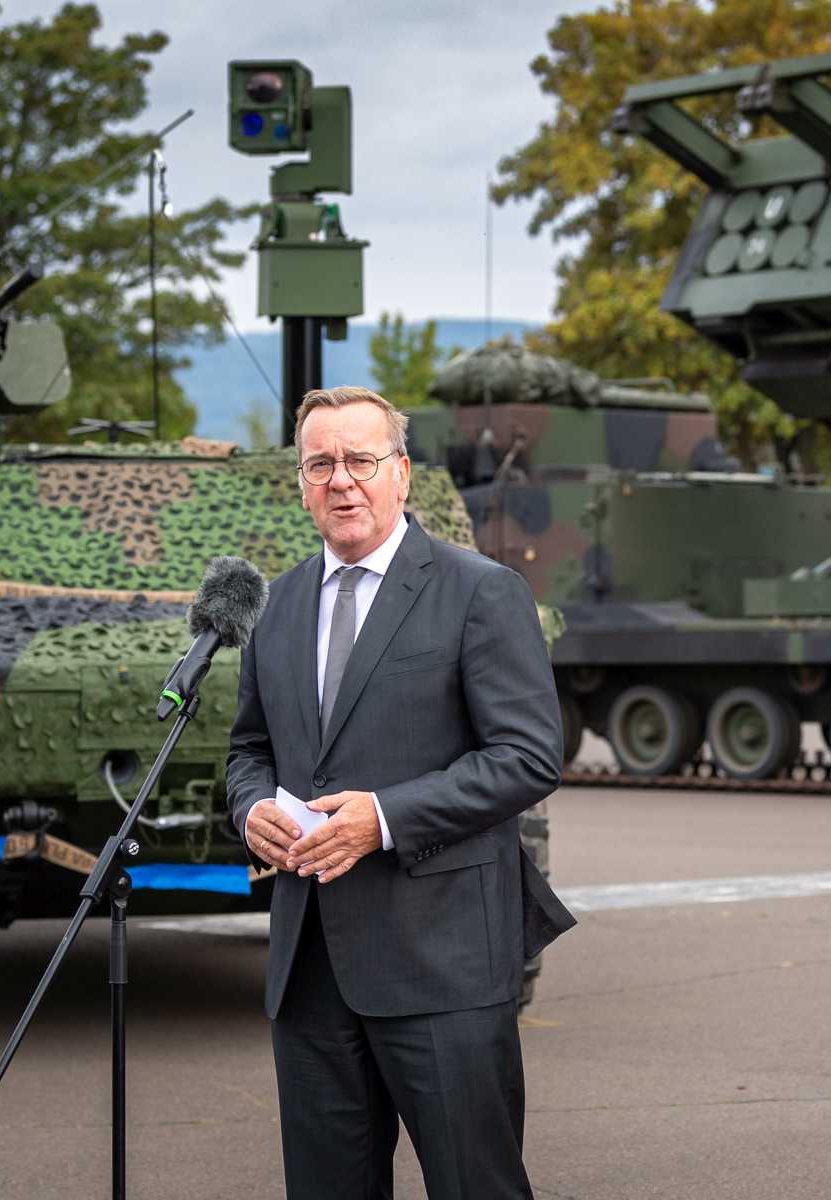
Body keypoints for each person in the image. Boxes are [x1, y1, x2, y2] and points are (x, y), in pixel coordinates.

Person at [226, 385, 573, 1200]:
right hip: (309, 970)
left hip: (442, 963)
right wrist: (252, 811)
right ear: (301, 483)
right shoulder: (273, 608)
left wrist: (382, 818)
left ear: (402, 474)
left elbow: (527, 756)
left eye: (360, 460)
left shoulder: (479, 591)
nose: (341, 480)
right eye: (321, 464)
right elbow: (248, 750)